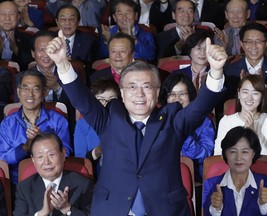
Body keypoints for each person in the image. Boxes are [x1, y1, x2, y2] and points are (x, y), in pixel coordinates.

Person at [46, 28, 227, 215]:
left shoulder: (172, 120)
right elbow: (82, 100)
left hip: (165, 210)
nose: (139, 94)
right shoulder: (109, 118)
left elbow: (201, 107)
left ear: (157, 93)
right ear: (122, 93)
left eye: (146, 87)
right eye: (132, 87)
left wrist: (216, 70)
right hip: (114, 209)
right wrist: (62, 64)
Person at [0, 70, 72, 184]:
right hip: (17, 182)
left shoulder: (58, 120)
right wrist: (25, 148)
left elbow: (66, 153)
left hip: (51, 179)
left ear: (44, 92)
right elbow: (2, 158)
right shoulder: (7, 124)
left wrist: (44, 142)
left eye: (36, 89)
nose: (30, 94)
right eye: (26, 88)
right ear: (18, 92)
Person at [203, 126, 267, 215]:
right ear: (225, 154)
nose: (239, 158)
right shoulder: (210, 184)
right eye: (233, 151)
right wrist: (215, 209)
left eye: (245, 152)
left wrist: (264, 206)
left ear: (253, 154)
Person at [14, 132, 94, 215]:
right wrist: (41, 213)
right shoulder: (24, 188)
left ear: (63, 154)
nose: (46, 162)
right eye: (40, 157)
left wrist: (67, 208)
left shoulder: (82, 184)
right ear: (33, 160)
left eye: (51, 155)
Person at [159, 72, 215, 182]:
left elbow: (205, 155)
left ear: (190, 95)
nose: (177, 99)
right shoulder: (157, 119)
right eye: (172, 94)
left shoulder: (204, 121)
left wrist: (183, 134)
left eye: (182, 94)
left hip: (193, 176)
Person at [214, 74, 267, 158]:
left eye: (255, 93)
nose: (249, 98)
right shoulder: (226, 121)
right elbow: (218, 156)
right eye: (245, 92)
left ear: (262, 96)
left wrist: (253, 134)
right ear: (238, 94)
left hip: (261, 169)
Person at [224, 22, 267, 101]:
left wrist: (262, 85)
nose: (253, 46)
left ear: (266, 43)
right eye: (249, 42)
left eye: (258, 41)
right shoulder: (230, 70)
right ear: (242, 44)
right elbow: (226, 104)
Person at [74, 78, 121, 179]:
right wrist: (98, 151)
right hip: (95, 176)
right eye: (100, 100)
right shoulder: (82, 124)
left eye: (112, 99)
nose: (106, 104)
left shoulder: (125, 122)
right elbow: (80, 161)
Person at [0, 1, 33, 70]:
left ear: (18, 17)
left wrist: (16, 49)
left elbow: (28, 66)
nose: (7, 18)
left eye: (11, 14)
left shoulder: (27, 37)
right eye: (3, 14)